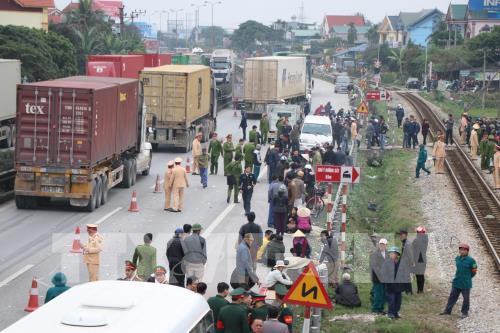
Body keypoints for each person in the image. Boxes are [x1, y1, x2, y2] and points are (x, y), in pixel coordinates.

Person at [440, 243, 478, 318]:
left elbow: (474, 271)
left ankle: (464, 312)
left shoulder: (471, 261)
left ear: (467, 251)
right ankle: (447, 311)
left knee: (466, 299)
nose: (462, 251)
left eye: (464, 250)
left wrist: (467, 277)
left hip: (466, 283)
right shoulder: (457, 258)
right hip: (457, 282)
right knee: (452, 297)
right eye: (461, 250)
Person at [381, 246, 405, 319]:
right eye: (390, 253)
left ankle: (395, 313)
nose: (391, 255)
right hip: (390, 286)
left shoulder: (400, 263)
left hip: (399, 286)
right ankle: (390, 313)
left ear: (397, 254)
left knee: (398, 301)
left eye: (393, 253)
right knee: (391, 300)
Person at [370, 238, 388, 314]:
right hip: (377, 277)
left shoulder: (387, 253)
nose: (382, 246)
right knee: (378, 294)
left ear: (386, 245)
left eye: (383, 244)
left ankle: (381, 309)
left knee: (384, 293)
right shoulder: (375, 254)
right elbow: (374, 266)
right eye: (381, 244)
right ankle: (376, 309)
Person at [397, 228, 414, 295]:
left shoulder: (407, 243)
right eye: (400, 235)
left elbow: (410, 254)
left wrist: (412, 263)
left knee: (406, 277)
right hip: (403, 262)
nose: (400, 236)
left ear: (406, 235)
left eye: (402, 234)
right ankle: (405, 291)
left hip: (406, 263)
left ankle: (409, 291)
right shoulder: (404, 242)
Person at [412, 226, 428, 293]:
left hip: (419, 259)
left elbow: (412, 247)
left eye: (418, 232)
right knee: (420, 274)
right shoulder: (425, 239)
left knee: (419, 275)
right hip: (422, 258)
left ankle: (420, 290)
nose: (418, 233)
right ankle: (420, 290)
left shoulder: (417, 240)